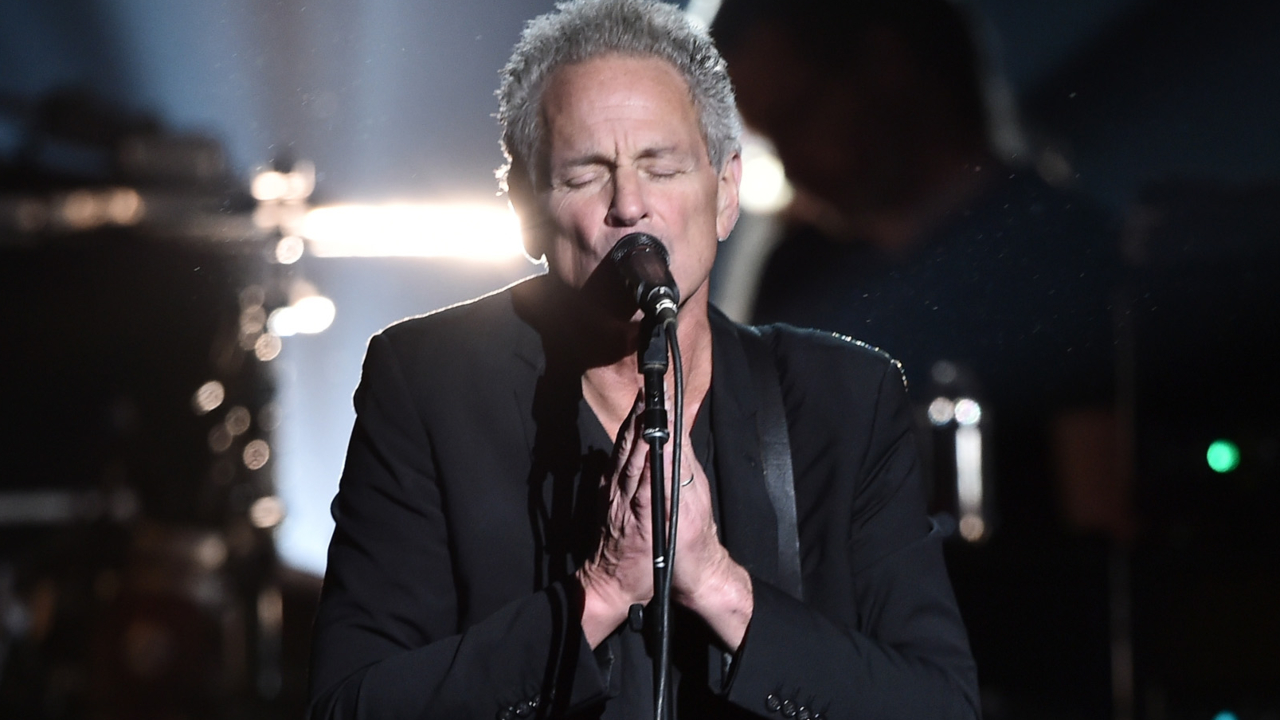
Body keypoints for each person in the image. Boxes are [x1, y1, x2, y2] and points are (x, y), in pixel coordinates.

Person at [306, 1, 977, 718]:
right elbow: (352, 705)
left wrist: (721, 587)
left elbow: (939, 706)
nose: (630, 204)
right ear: (527, 208)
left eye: (662, 167)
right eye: (586, 174)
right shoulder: (426, 384)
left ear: (725, 194)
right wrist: (595, 595)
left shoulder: (845, 400)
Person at [711, 2, 1123, 717]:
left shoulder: (1065, 264)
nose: (794, 161)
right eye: (767, 133)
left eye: (801, 113)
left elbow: (1108, 531)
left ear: (886, 64)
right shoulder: (795, 272)